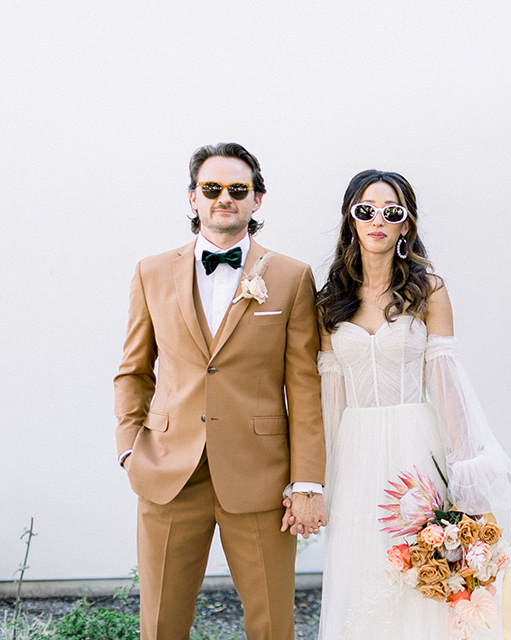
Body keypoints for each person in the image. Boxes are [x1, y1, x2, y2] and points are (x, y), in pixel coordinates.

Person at [312, 169, 511, 639]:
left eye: (391, 212)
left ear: (406, 226)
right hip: (356, 452)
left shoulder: (428, 290)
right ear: (350, 221)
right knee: (364, 566)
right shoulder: (329, 301)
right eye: (365, 211)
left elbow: (447, 382)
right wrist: (318, 481)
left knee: (433, 563)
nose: (377, 220)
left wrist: (467, 469)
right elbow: (328, 398)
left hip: (416, 449)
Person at [114, 142, 327, 640]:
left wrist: (307, 481)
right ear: (193, 197)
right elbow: (133, 370)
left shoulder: (292, 277)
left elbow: (305, 385)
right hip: (169, 471)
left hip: (261, 476)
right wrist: (129, 449)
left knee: (273, 624)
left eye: (238, 189)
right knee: (161, 623)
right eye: (212, 188)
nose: (223, 198)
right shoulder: (151, 271)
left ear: (257, 200)